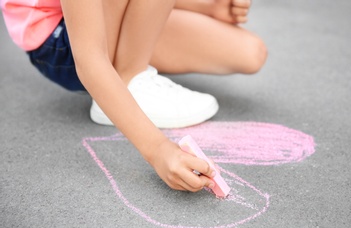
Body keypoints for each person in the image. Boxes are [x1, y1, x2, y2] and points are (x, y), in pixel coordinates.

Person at [1, 0, 267, 192]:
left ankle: (131, 71)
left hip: (95, 16)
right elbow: (90, 58)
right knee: (106, 72)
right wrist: (158, 150)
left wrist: (204, 6)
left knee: (250, 52)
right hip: (62, 43)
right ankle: (129, 79)